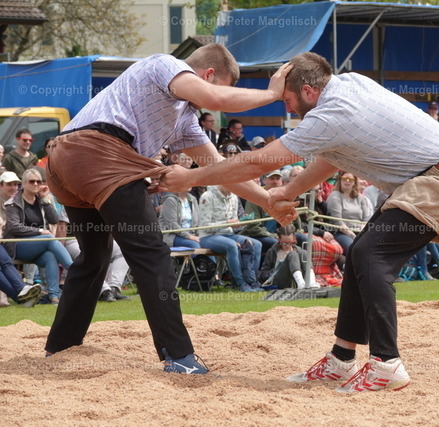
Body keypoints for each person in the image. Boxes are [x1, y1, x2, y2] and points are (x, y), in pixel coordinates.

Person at [160, 51, 439, 392]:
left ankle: (387, 364)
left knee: (370, 256)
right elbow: (331, 156)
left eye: (287, 99)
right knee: (359, 255)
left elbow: (256, 163)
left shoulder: (330, 115)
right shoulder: (349, 85)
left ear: (309, 91)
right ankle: (342, 358)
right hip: (436, 176)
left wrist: (191, 178)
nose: (286, 107)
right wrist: (287, 192)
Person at [43, 43, 296, 374]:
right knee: (152, 254)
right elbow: (216, 98)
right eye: (221, 86)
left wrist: (267, 201)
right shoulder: (163, 64)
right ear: (207, 74)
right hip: (100, 153)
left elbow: (219, 168)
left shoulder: (184, 118)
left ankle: (60, 346)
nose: (214, 104)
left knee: (94, 257)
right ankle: (178, 356)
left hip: (63, 161)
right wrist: (272, 94)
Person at [3, 168, 73, 304]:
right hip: (17, 245)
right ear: (23, 183)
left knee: (50, 256)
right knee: (49, 238)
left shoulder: (41, 200)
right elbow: (14, 227)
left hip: (38, 245)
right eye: (32, 181)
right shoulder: (13, 203)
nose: (36, 184)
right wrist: (40, 231)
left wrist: (45, 199)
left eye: (39, 181)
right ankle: (73, 269)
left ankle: (53, 296)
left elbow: (54, 219)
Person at [198, 185, 263, 292]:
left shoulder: (234, 197)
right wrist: (227, 223)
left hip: (229, 234)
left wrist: (240, 223)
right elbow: (205, 226)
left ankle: (252, 281)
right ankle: (240, 282)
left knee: (257, 244)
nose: (234, 188)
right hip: (208, 236)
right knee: (231, 245)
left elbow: (233, 222)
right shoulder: (207, 196)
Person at [325, 171, 373, 255]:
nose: (347, 181)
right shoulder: (335, 196)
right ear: (340, 180)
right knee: (354, 248)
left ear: (354, 182)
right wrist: (354, 236)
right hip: (341, 232)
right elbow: (338, 222)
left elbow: (366, 218)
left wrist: (361, 232)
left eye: (350, 179)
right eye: (344, 178)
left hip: (359, 231)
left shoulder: (360, 197)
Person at [259, 224, 318, 289]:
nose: (287, 246)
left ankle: (312, 282)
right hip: (280, 281)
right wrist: (276, 269)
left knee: (304, 253)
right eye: (283, 243)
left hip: (295, 280)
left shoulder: (298, 250)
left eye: (290, 243)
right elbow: (263, 274)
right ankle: (301, 284)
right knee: (292, 254)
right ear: (278, 239)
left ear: (294, 238)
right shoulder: (272, 251)